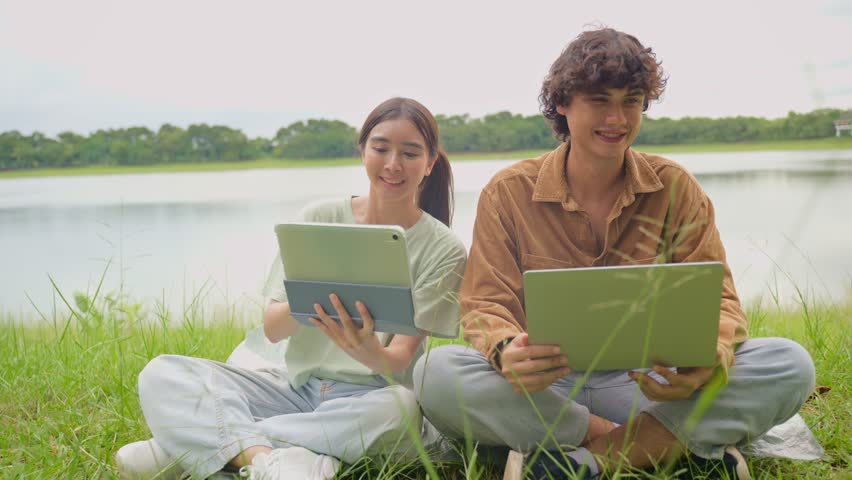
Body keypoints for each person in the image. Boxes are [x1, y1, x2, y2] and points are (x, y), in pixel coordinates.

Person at [414, 28, 816, 480]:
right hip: (546, 390)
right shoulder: (508, 191)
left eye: (631, 100)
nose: (618, 118)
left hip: (650, 385)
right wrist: (506, 349)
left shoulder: (675, 186)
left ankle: (585, 462)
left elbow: (722, 303)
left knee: (788, 363)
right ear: (563, 103)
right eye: (600, 100)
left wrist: (710, 357)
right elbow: (485, 303)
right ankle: (652, 444)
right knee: (435, 372)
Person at [115, 97, 467, 480]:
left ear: (430, 163)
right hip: (295, 390)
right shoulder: (318, 219)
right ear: (363, 150)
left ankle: (188, 450)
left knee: (398, 409)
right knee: (161, 372)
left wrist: (366, 349)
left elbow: (398, 361)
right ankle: (272, 461)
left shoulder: (443, 249)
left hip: (370, 399)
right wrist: (316, 296)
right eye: (380, 148)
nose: (393, 164)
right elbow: (273, 328)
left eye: (410, 153)